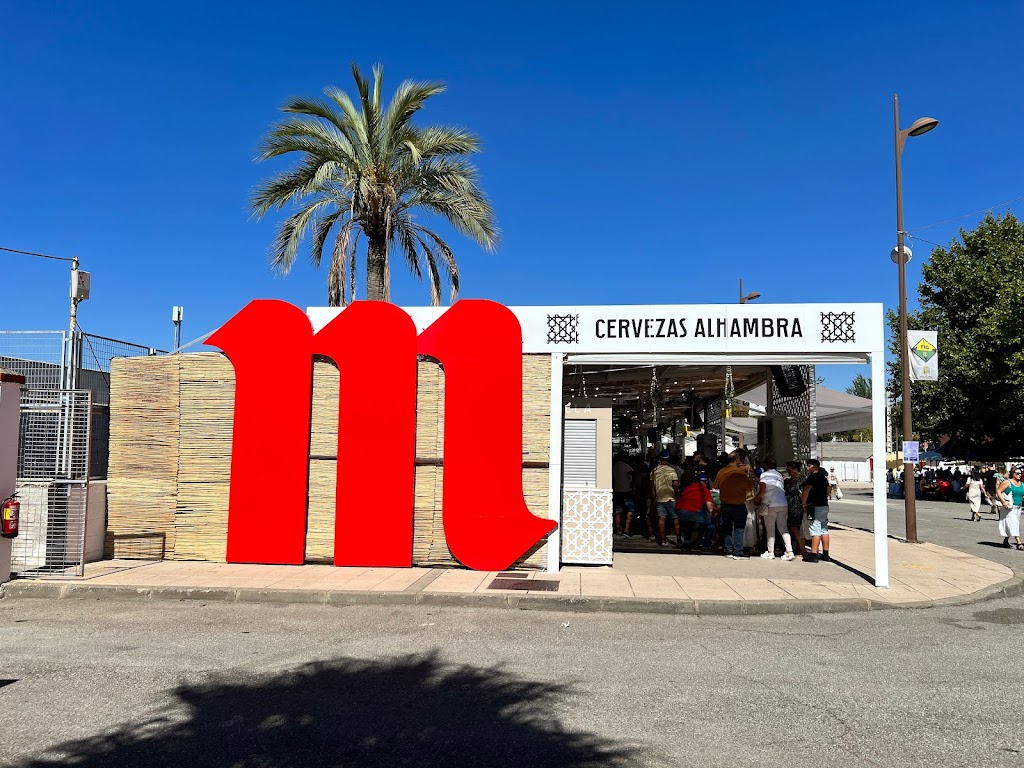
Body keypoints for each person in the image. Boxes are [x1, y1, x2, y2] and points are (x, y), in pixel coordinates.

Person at [715, 448, 754, 559]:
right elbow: (749, 487)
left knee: (726, 528)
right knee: (739, 528)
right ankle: (738, 550)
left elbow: (716, 486)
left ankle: (728, 550)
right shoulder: (740, 473)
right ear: (737, 460)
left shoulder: (721, 471)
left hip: (725, 503)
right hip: (738, 504)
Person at [757, 459, 795, 560]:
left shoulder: (764, 475)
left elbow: (763, 488)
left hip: (770, 504)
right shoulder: (779, 475)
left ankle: (770, 552)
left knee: (770, 528)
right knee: (783, 528)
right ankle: (789, 551)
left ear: (765, 465)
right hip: (782, 503)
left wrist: (758, 497)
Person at [675, 469, 715, 550]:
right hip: (693, 510)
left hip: (679, 509)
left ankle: (686, 543)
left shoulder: (688, 488)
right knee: (710, 524)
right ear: (706, 482)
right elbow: (710, 508)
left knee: (689, 523)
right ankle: (706, 545)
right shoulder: (705, 490)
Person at [800, 458, 830, 562]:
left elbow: (806, 490)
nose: (807, 468)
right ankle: (825, 553)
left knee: (815, 529)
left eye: (809, 466)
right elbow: (828, 489)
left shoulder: (812, 478)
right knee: (824, 529)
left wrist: (803, 503)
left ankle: (813, 554)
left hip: (813, 506)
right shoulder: (823, 477)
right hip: (824, 505)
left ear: (814, 466)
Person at [650, 450, 679, 547]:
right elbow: (675, 484)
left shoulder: (654, 471)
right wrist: (676, 491)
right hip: (671, 498)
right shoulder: (672, 470)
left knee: (661, 519)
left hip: (659, 498)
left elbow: (652, 486)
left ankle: (663, 540)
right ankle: (678, 540)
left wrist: (654, 497)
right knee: (676, 518)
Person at [996, 466, 1024, 550]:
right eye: (1017, 473)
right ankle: (1018, 542)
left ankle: (1006, 540)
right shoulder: (1007, 482)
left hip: (1018, 507)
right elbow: (998, 491)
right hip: (1009, 507)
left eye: (1020, 473)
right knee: (1014, 523)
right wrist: (1003, 501)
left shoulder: (1022, 484)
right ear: (1013, 474)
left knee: (1013, 524)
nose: (1019, 475)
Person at [784, 461, 807, 556]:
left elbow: (803, 493)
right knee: (794, 527)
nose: (788, 472)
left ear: (795, 469)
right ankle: (799, 547)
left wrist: (804, 505)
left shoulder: (802, 479)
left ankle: (802, 548)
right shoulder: (791, 480)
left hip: (798, 505)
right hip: (791, 505)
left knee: (796, 528)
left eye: (790, 470)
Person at [612, 452, 635, 537]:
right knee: (630, 510)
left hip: (617, 491)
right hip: (627, 491)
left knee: (618, 511)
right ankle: (626, 529)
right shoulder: (625, 466)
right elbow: (633, 474)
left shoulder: (613, 467)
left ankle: (618, 529)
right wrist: (632, 484)